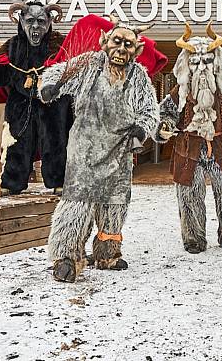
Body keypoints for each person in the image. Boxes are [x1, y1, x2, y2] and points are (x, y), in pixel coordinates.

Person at [39, 17, 160, 283]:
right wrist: (48, 87)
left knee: (114, 206)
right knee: (77, 203)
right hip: (85, 148)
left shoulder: (138, 76)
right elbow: (56, 73)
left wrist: (142, 128)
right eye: (117, 41)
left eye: (128, 45)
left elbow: (150, 110)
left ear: (136, 50)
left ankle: (107, 253)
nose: (121, 49)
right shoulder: (88, 64)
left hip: (119, 152)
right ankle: (66, 257)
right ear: (105, 42)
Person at [156, 23, 222, 253]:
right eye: (195, 62)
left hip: (220, 148)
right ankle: (193, 239)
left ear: (216, 62)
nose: (202, 67)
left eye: (207, 61)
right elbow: (166, 114)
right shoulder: (181, 90)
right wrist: (164, 127)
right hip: (188, 150)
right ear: (187, 64)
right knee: (189, 195)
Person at [0, 1, 69, 194]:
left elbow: (69, 71)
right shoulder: (12, 46)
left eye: (41, 21)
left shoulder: (59, 45)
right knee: (17, 142)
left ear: (49, 21)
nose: (35, 27)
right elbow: (0, 76)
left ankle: (58, 181)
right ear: (20, 20)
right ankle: (13, 183)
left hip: (52, 104)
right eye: (30, 21)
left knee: (55, 141)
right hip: (20, 103)